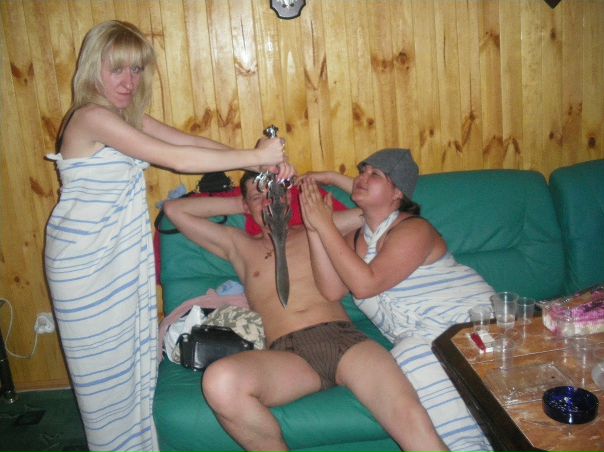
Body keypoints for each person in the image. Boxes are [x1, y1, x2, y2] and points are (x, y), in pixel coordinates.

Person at [44, 20, 289, 452]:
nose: (129, 81)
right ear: (93, 68)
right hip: (84, 258)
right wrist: (256, 155)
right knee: (103, 373)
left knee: (132, 362)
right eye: (117, 69)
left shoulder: (124, 115)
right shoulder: (91, 116)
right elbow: (177, 160)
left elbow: (190, 142)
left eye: (137, 69)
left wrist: (258, 165)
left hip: (116, 251)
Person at [163, 170, 448, 452]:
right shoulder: (239, 245)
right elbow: (175, 210)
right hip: (287, 356)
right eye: (259, 197)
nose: (269, 201)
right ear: (246, 206)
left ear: (288, 197)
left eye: (276, 193)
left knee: (409, 417)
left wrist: (330, 184)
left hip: (346, 342)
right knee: (220, 381)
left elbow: (384, 211)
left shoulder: (321, 224)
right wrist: (243, 203)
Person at [299, 148, 495, 451]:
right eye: (362, 171)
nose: (362, 177)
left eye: (375, 174)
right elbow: (332, 291)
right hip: (425, 339)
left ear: (397, 192)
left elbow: (366, 284)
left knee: (409, 356)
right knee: (410, 354)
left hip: (470, 324)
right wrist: (314, 229)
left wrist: (325, 224)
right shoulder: (354, 239)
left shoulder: (415, 229)